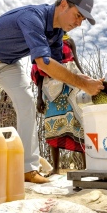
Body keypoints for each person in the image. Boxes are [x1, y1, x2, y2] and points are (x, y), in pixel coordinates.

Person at [0, 0, 104, 184]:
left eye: (82, 20)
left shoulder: (57, 33)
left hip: (9, 63)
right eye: (77, 16)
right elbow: (44, 63)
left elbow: (57, 68)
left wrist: (82, 77)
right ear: (63, 4)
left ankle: (27, 169)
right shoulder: (32, 17)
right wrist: (84, 84)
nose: (78, 23)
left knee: (27, 104)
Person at [32, 33, 86, 175]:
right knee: (52, 126)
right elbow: (38, 71)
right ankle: (56, 169)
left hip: (70, 85)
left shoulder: (69, 41)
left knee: (78, 123)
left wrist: (86, 80)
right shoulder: (43, 41)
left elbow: (76, 62)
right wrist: (39, 97)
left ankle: (87, 168)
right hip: (50, 89)